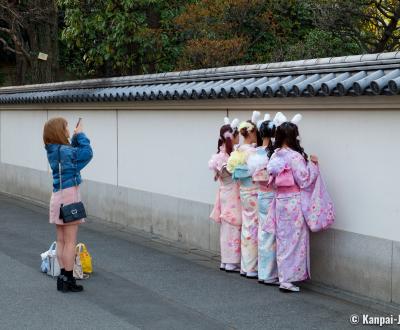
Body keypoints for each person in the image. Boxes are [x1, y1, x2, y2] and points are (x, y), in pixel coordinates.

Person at [264, 113, 319, 292]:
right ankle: (287, 280)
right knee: (294, 240)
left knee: (283, 239)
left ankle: (283, 277)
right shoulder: (294, 157)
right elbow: (304, 180)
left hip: (280, 200)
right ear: (293, 136)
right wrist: (313, 165)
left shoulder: (275, 155)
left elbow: (270, 180)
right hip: (293, 202)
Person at [43, 117, 93, 292]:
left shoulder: (53, 150)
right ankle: (69, 280)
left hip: (57, 195)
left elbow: (70, 154)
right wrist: (81, 135)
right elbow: (87, 153)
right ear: (59, 131)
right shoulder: (66, 152)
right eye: (65, 127)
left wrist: (74, 138)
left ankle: (63, 278)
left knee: (61, 240)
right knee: (71, 241)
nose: (67, 129)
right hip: (70, 195)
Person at [227, 111, 261, 278]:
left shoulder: (238, 151)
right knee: (254, 228)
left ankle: (245, 266)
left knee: (247, 228)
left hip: (243, 190)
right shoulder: (252, 152)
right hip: (253, 191)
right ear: (251, 132)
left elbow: (232, 169)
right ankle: (252, 268)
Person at [247, 114, 279, 285]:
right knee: (271, 235)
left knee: (262, 232)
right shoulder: (272, 155)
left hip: (260, 194)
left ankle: (262, 271)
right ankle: (268, 274)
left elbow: (252, 176)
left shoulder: (255, 152)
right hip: (271, 195)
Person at [209, 117, 242, 272]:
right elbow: (230, 172)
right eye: (237, 135)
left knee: (226, 226)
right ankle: (231, 261)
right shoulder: (229, 156)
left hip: (224, 192)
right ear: (232, 137)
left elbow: (218, 175)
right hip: (231, 193)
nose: (239, 138)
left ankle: (225, 260)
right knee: (233, 225)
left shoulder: (220, 155)